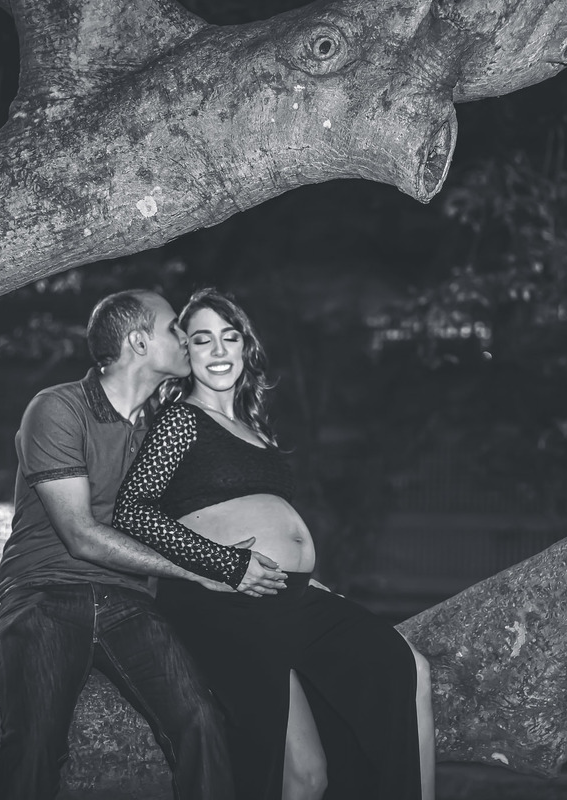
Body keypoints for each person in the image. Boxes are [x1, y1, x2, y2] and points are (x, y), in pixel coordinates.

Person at [112, 288, 436, 800]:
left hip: (288, 594)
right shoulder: (180, 420)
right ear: (186, 352)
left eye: (229, 337)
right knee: (300, 775)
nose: (219, 350)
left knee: (406, 668)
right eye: (202, 339)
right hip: (228, 601)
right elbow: (132, 510)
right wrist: (224, 562)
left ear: (245, 347)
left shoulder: (254, 430)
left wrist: (310, 581)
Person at [0, 289, 288, 799]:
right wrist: (205, 569)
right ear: (139, 342)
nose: (187, 336)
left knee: (202, 721)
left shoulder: (163, 426)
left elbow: (192, 514)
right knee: (35, 744)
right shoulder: (58, 407)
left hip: (129, 601)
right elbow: (80, 535)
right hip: (44, 592)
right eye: (176, 328)